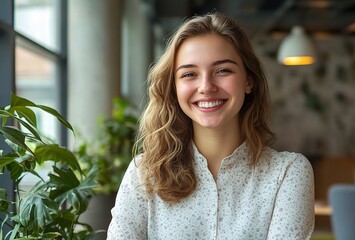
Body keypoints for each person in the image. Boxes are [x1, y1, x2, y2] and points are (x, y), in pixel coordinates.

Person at [107, 12, 314, 240]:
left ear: (248, 81)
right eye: (189, 74)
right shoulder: (143, 173)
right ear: (174, 88)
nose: (206, 86)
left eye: (223, 70)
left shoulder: (288, 173)